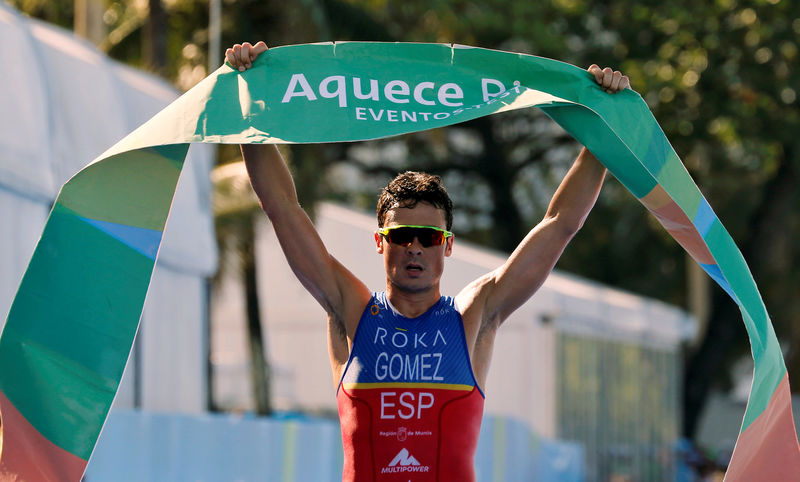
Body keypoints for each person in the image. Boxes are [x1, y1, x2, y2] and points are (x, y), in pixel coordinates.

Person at [226, 41, 630, 481]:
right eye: (402, 236)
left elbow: (559, 223)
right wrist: (249, 100)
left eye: (429, 237)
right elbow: (281, 206)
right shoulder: (351, 309)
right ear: (381, 243)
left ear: (448, 245)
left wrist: (600, 130)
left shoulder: (475, 315)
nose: (415, 247)